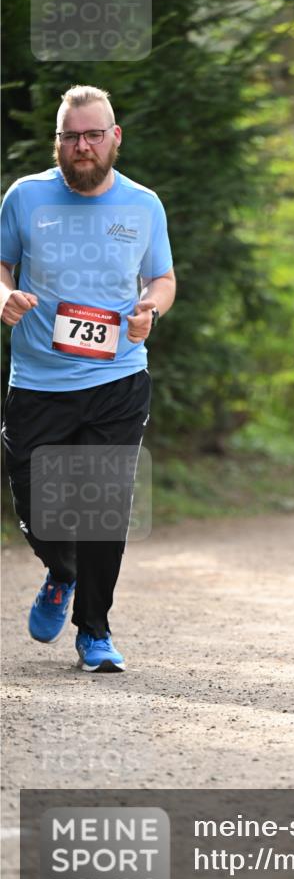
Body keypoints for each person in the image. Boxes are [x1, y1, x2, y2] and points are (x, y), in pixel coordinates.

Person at [0, 85, 175, 674]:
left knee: (104, 506)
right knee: (35, 506)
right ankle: (62, 570)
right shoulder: (25, 197)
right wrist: (3, 295)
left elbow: (162, 279)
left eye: (93, 135)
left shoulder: (144, 205)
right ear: (58, 141)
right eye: (71, 136)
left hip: (116, 380)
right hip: (38, 381)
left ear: (114, 137)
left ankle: (94, 632)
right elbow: (0, 265)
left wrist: (150, 309)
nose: (82, 146)